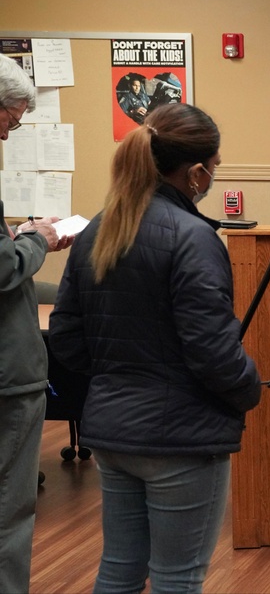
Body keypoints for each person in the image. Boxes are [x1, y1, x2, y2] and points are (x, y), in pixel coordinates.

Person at [48, 103, 262, 592]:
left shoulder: (99, 229)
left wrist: (116, 374)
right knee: (177, 578)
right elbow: (212, 349)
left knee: (119, 569)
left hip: (112, 433)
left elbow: (64, 335)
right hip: (181, 439)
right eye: (216, 166)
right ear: (196, 173)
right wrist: (250, 389)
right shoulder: (194, 237)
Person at [0, 53, 74, 594]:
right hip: (8, 376)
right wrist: (37, 240)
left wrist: (19, 234)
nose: (11, 132)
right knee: (9, 507)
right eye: (12, 118)